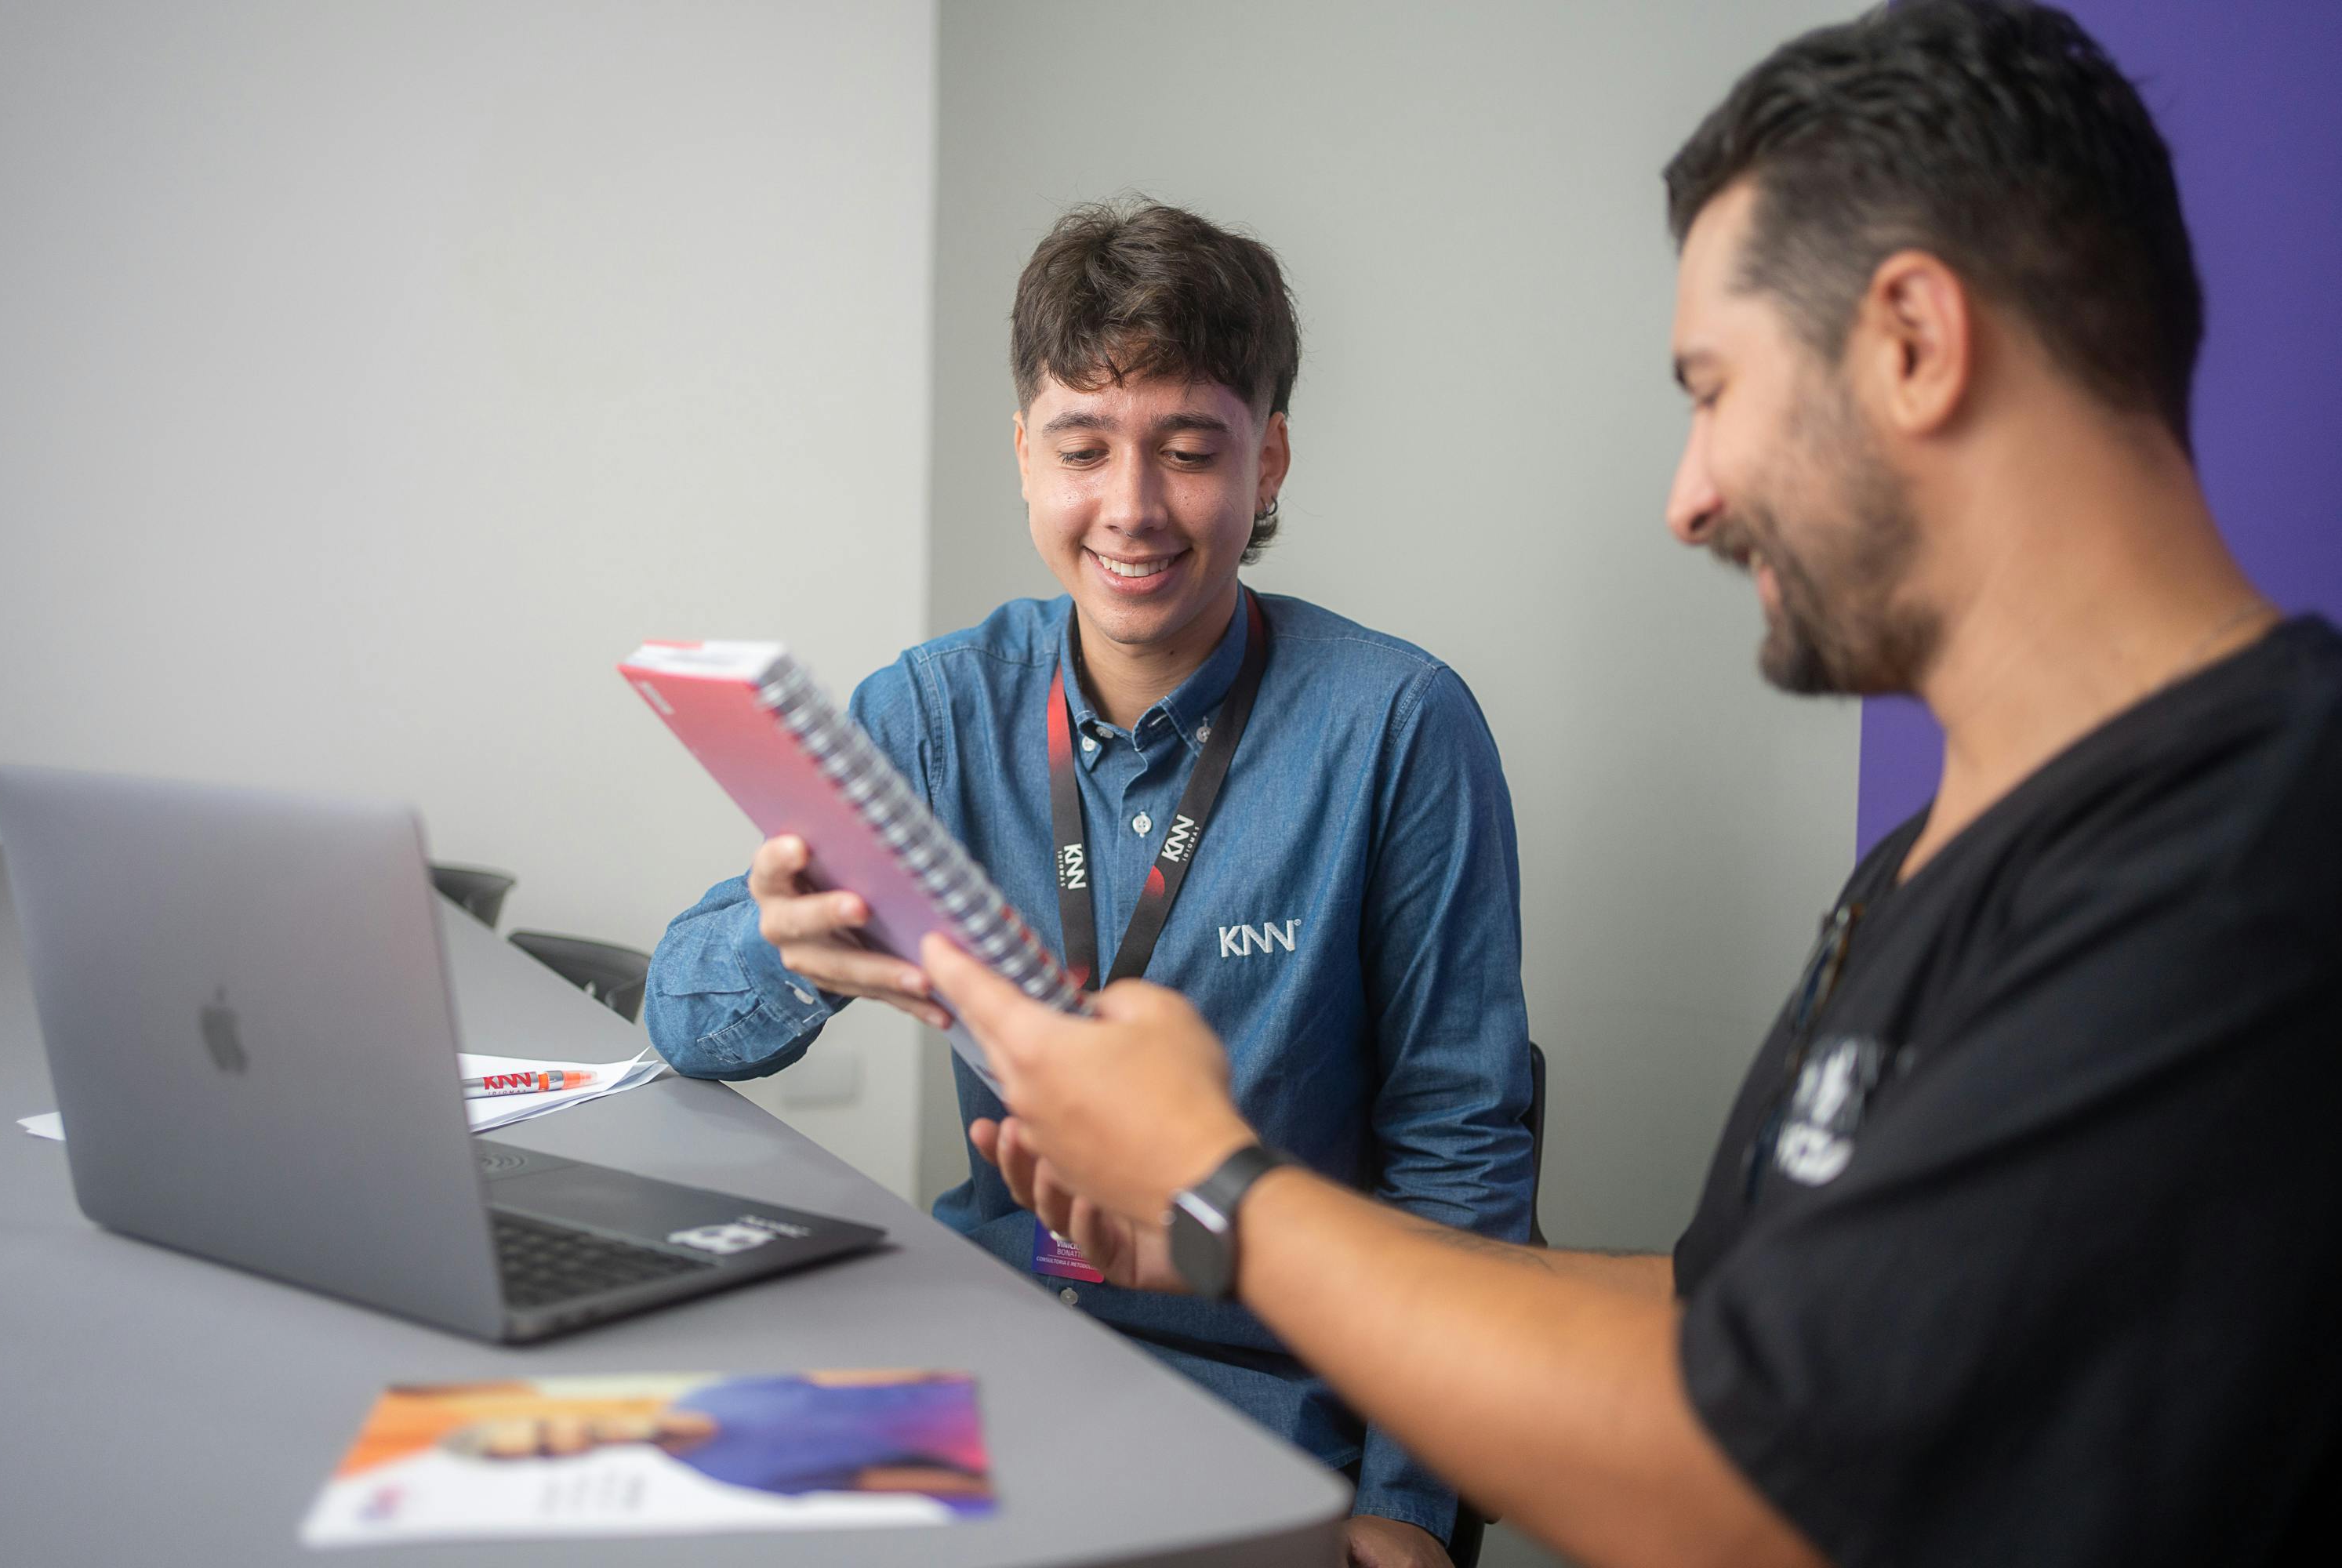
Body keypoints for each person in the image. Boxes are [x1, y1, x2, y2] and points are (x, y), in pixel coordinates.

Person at [917, 4, 2342, 1565]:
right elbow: (1725, 1318)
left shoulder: (2252, 857)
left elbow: (1764, 1481)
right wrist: (1239, 1236)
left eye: (1715, 386)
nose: (1690, 495)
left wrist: (1227, 1186)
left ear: (1917, 345)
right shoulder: (1939, 867)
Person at [645, 199, 1538, 1566]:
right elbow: (678, 1015)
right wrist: (787, 948)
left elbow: (1460, 1145)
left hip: (1272, 1403)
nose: (1132, 509)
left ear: (1270, 460)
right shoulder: (941, 709)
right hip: (990, 1350)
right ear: (1023, 456)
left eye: (1190, 451)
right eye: (1082, 449)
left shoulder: (1397, 725)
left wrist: (1408, 1507)